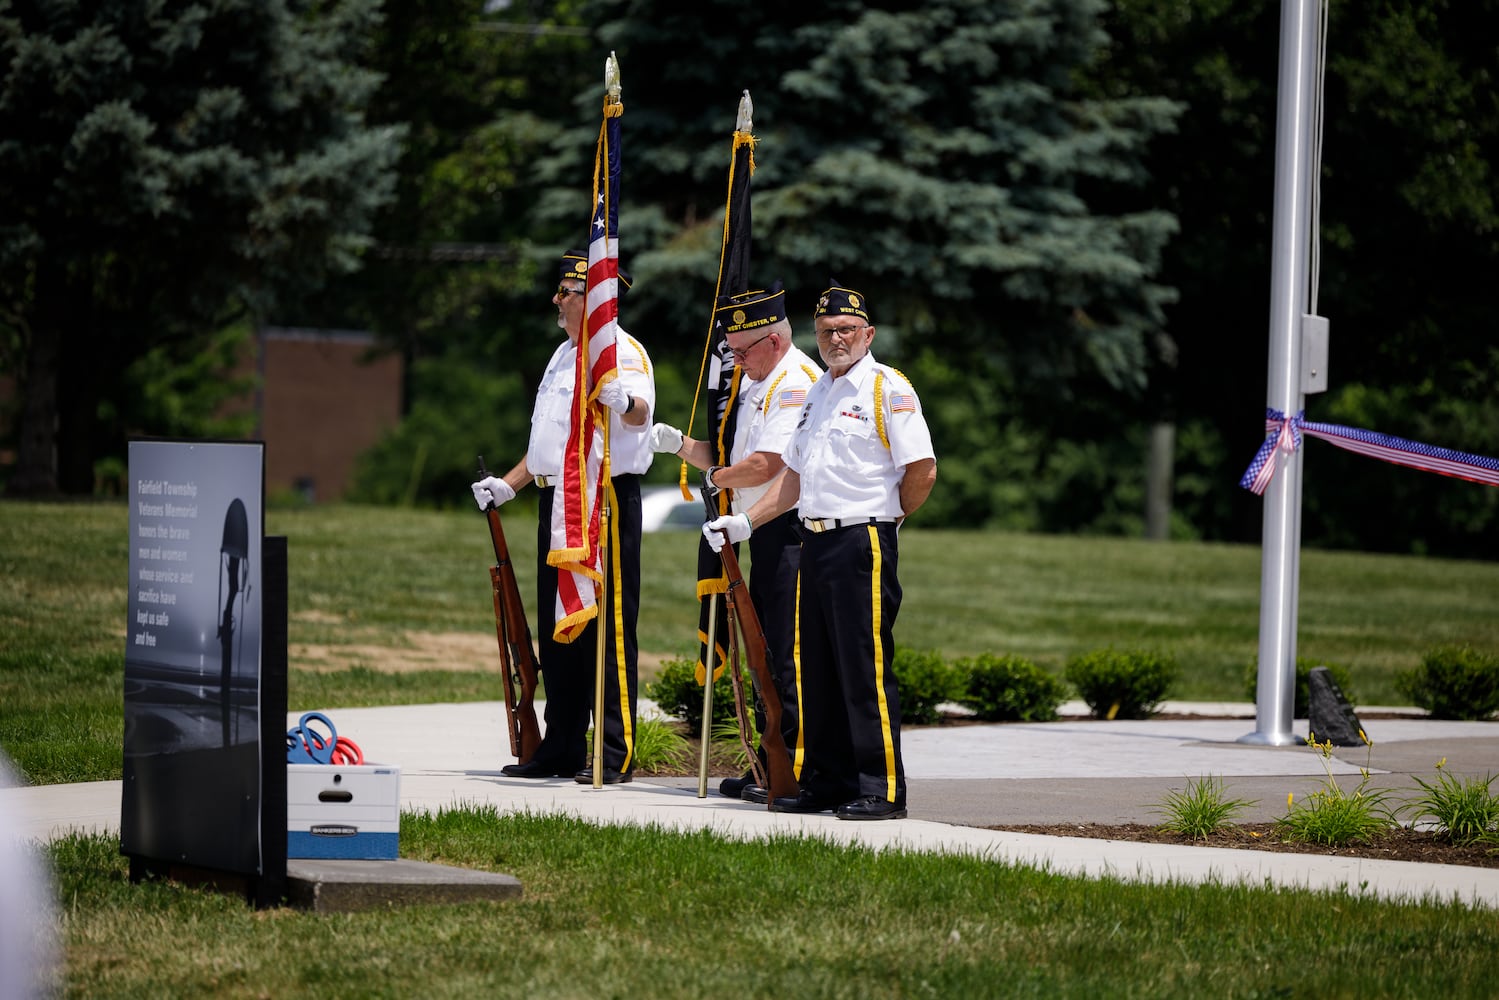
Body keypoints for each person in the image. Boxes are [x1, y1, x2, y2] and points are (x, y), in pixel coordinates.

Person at [704, 282, 936, 820]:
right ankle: (827, 781)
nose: (837, 338)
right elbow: (795, 476)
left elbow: (922, 469)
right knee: (817, 670)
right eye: (828, 330)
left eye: (847, 330)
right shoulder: (818, 392)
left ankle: (881, 788)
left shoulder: (886, 387)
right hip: (813, 537)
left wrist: (887, 515)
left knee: (863, 668)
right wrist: (745, 520)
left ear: (868, 334)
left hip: (861, 540)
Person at [471, 250, 655, 785]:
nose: (557, 300)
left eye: (567, 292)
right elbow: (549, 443)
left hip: (605, 499)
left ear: (596, 300)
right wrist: (509, 483)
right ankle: (563, 746)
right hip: (558, 499)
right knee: (561, 630)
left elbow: (642, 412)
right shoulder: (562, 356)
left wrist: (623, 404)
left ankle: (614, 750)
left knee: (610, 625)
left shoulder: (619, 351)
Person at [648, 282, 822, 800]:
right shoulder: (756, 380)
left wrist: (715, 480)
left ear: (773, 340)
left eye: (743, 351)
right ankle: (770, 762)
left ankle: (795, 764)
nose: (736, 360)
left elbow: (768, 465)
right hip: (756, 528)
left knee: (785, 653)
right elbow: (729, 456)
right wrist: (681, 446)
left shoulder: (796, 383)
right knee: (763, 651)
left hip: (787, 530)